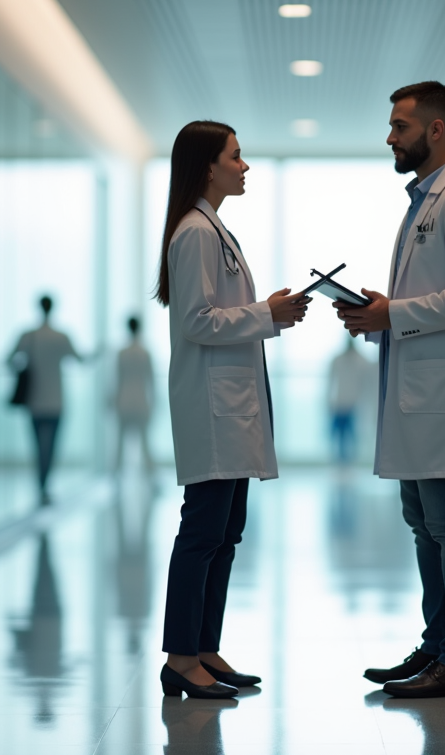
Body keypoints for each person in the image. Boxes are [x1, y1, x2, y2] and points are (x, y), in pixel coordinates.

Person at [335, 82, 445, 699]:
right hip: (416, 398)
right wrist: (381, 313)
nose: (390, 137)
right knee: (423, 523)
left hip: (441, 402)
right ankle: (437, 645)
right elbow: (429, 297)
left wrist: (394, 313)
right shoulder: (423, 203)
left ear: (435, 131)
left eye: (400, 126)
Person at [156, 120, 310, 699]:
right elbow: (198, 322)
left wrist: (269, 313)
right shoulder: (195, 232)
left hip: (231, 408)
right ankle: (180, 657)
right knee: (202, 534)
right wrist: (267, 313)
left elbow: (219, 314)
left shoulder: (212, 229)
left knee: (225, 533)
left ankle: (204, 648)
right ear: (208, 166)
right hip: (213, 411)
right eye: (236, 157)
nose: (245, 167)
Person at [8, 296, 82, 506]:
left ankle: (41, 485)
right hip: (56, 401)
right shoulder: (60, 337)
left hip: (34, 401)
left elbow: (10, 359)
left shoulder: (29, 336)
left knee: (38, 446)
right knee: (50, 447)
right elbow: (79, 359)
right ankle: (44, 486)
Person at [114, 316, 155, 473]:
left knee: (119, 443)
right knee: (145, 442)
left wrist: (114, 401)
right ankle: (151, 474)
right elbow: (150, 381)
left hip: (124, 401)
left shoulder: (122, 353)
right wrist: (153, 403)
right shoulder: (145, 353)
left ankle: (116, 475)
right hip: (141, 401)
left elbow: (118, 380)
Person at [326, 335, 369, 463]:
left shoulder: (361, 361)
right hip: (339, 403)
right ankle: (340, 461)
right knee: (339, 435)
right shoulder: (338, 360)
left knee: (352, 436)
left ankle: (350, 461)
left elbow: (365, 385)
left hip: (353, 404)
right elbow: (331, 381)